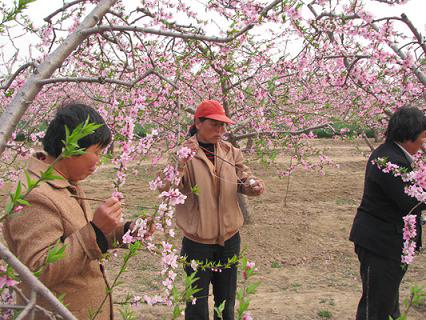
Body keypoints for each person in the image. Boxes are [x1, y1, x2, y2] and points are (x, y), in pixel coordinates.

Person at [3, 103, 133, 320]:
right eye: (97, 152)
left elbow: (76, 239)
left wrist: (124, 232)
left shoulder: (65, 182)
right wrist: (95, 231)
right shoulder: (33, 195)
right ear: (70, 149)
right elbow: (38, 269)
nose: (98, 162)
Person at [172, 99, 265, 320]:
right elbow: (168, 186)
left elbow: (243, 177)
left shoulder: (230, 151)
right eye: (214, 124)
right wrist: (179, 164)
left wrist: (253, 185)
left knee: (226, 303)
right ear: (197, 122)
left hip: (229, 240)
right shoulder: (184, 153)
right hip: (197, 242)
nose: (220, 130)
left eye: (223, 125)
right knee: (197, 305)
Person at [349, 106, 426, 320]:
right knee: (375, 305)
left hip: (389, 242)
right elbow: (410, 201)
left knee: (387, 299)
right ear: (408, 135)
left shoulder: (394, 155)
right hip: (380, 243)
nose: (423, 143)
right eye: (422, 137)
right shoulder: (388, 161)